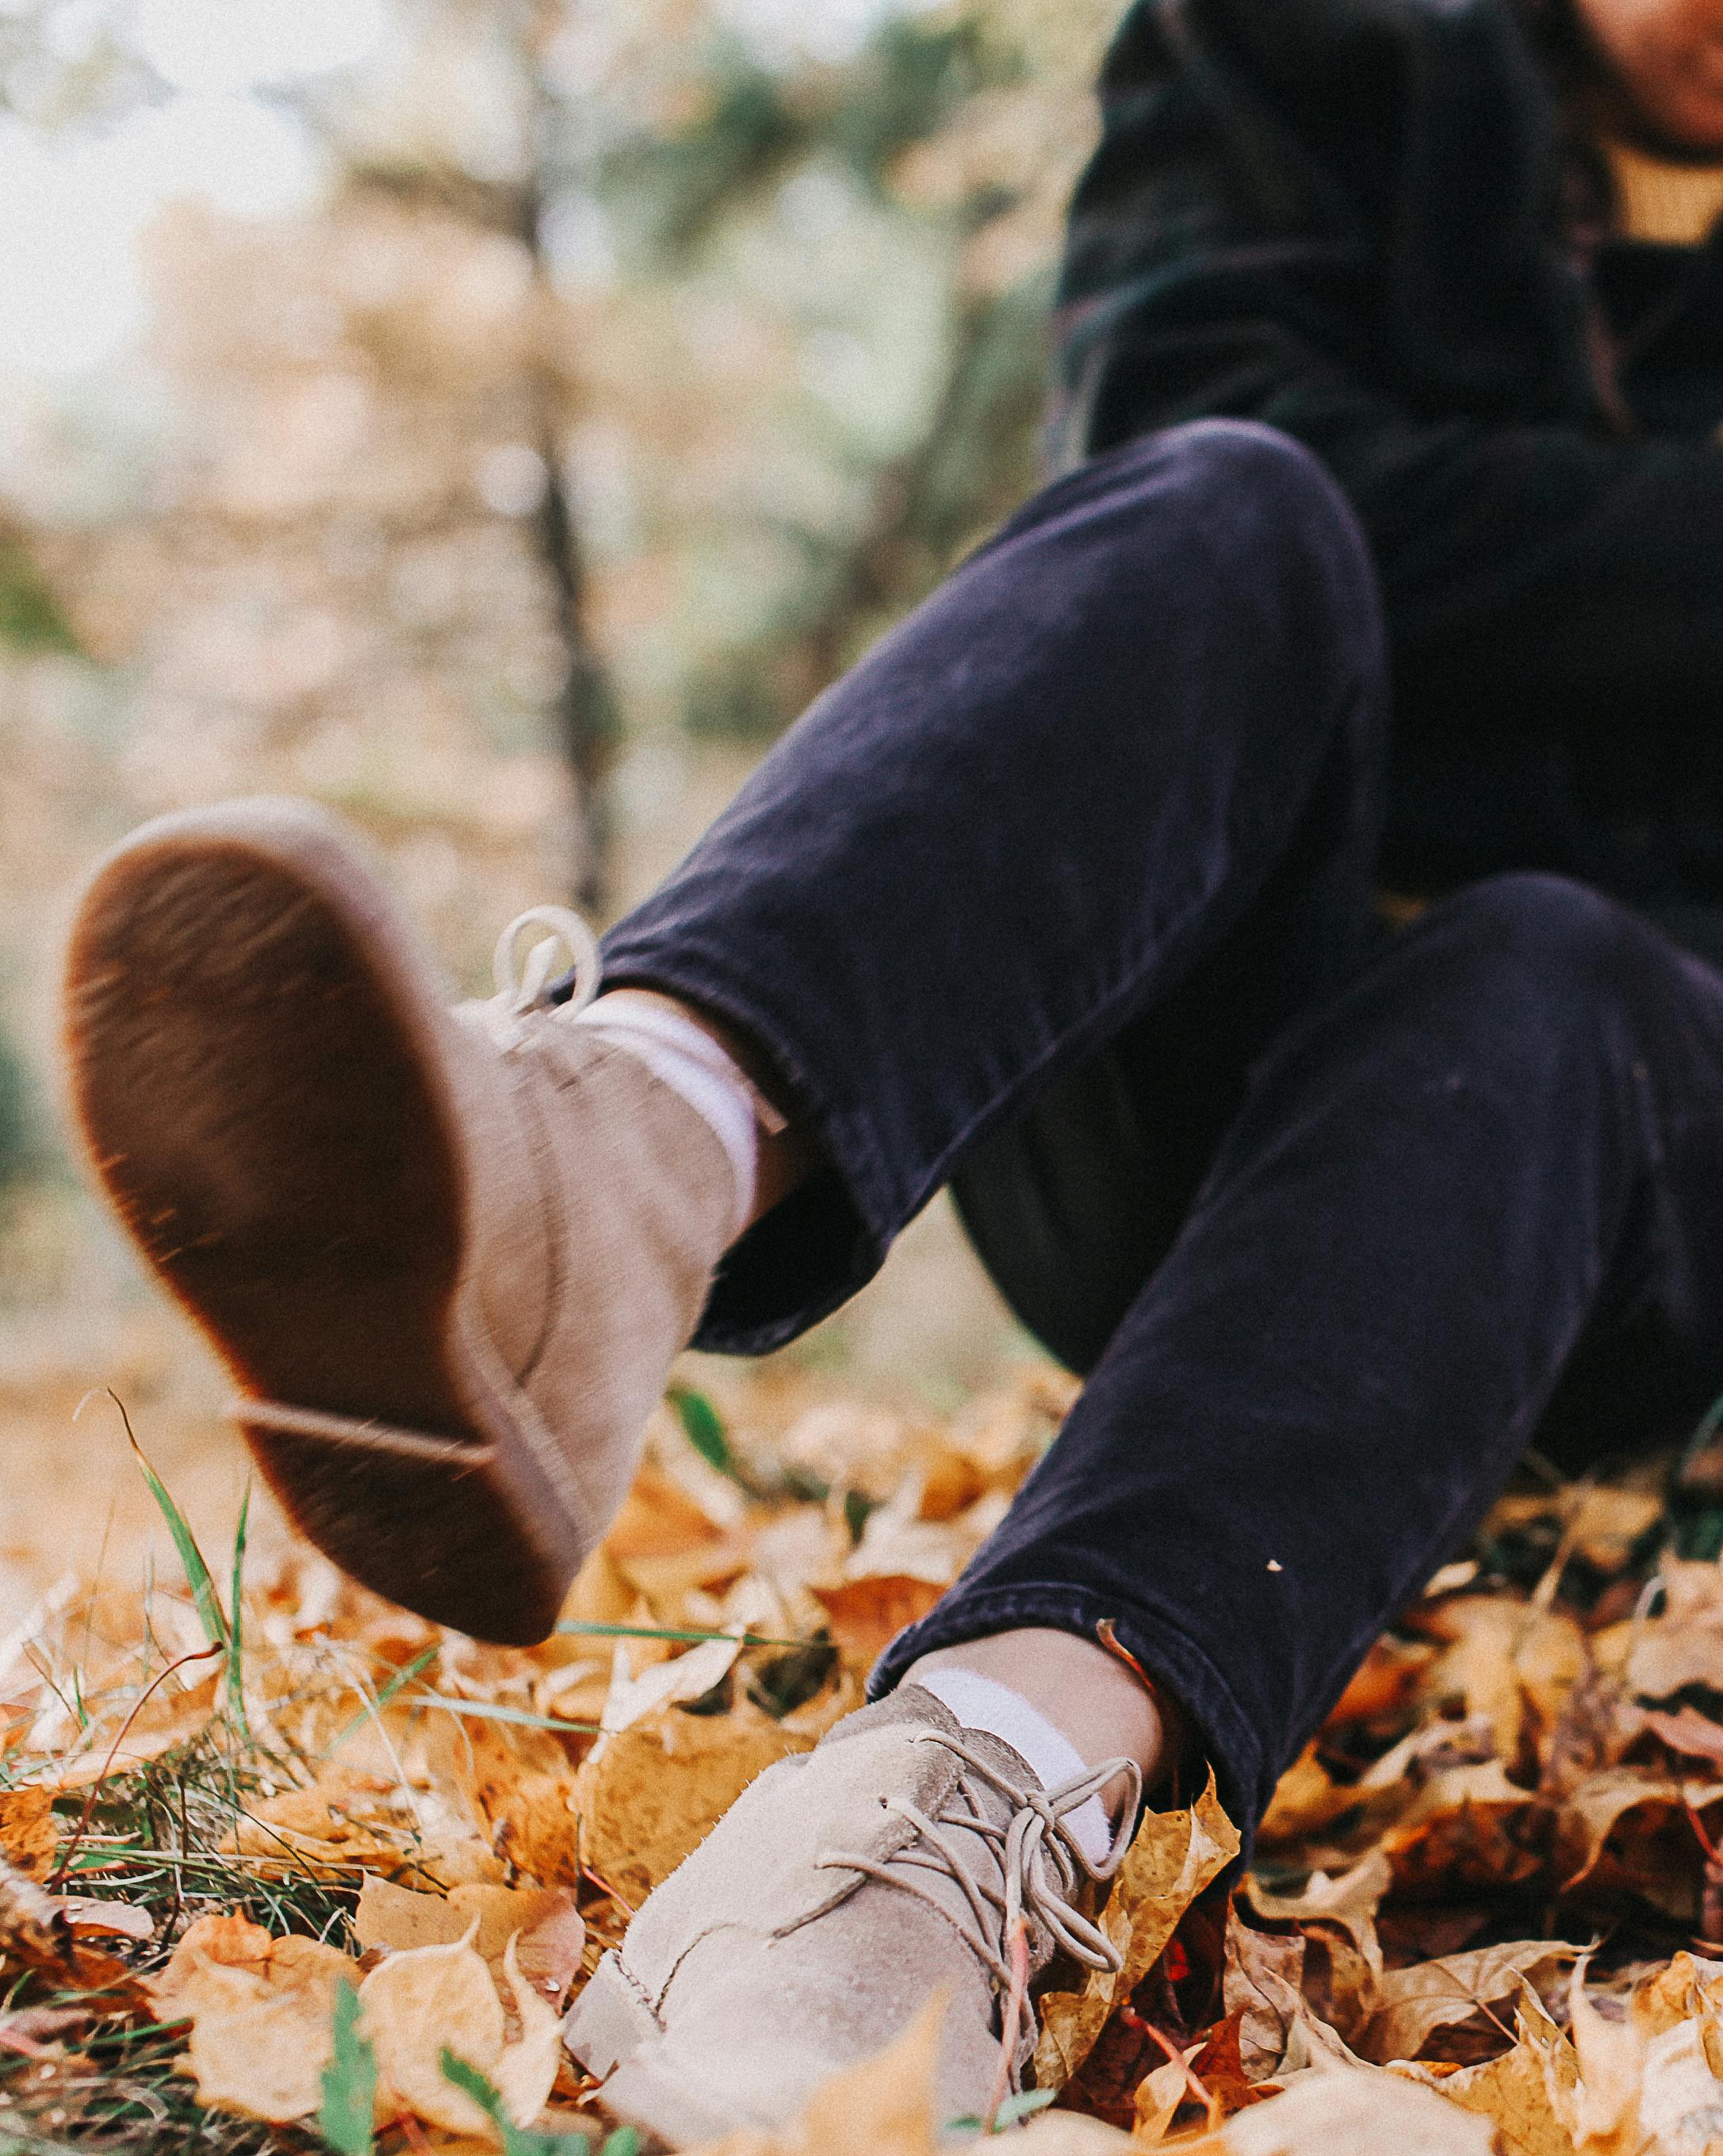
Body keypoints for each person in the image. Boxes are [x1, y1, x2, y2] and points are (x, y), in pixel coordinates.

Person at [53, 0, 1723, 2137]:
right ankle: (621, 1155)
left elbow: (1413, 560)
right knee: (1231, 509)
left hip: (1650, 1132)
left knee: (1535, 960)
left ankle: (963, 1798)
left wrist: (1472, 562)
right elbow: (1193, 467)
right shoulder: (1297, 48)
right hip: (1186, 1090)